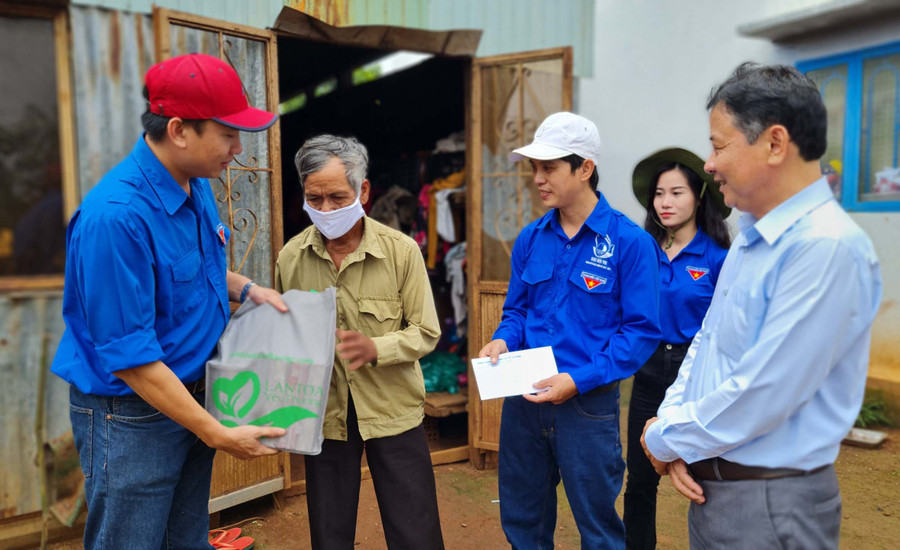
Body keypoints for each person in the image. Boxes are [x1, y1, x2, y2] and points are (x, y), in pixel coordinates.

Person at [50, 53, 289, 550]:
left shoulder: (194, 183)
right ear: (179, 130)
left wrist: (248, 289)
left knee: (185, 538)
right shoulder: (115, 220)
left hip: (189, 397)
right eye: (227, 134)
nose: (237, 149)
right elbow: (132, 360)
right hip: (133, 416)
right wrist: (217, 433)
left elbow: (193, 268)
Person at [641, 63, 882, 550]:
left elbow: (763, 391)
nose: (708, 163)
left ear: (774, 143)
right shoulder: (752, 238)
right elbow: (706, 345)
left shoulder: (825, 247)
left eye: (718, 144)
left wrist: (666, 438)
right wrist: (668, 422)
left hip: (770, 502)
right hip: (718, 490)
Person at [478, 112, 662, 549]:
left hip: (587, 407)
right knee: (524, 521)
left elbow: (639, 332)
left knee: (598, 529)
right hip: (524, 404)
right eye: (534, 168)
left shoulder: (629, 243)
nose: (538, 178)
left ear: (584, 169)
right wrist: (504, 338)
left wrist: (578, 379)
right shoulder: (531, 238)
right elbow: (517, 311)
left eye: (549, 167)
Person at [275, 134, 445, 550]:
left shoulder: (401, 251)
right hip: (325, 414)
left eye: (337, 197)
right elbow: (284, 339)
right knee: (329, 531)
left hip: (392, 408)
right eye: (314, 199)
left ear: (363, 191)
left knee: (414, 527)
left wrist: (376, 349)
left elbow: (426, 331)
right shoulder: (291, 258)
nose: (326, 209)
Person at [623, 148, 731, 549]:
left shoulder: (719, 257)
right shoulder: (643, 251)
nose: (665, 203)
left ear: (699, 196)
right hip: (649, 373)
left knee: (706, 477)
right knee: (639, 480)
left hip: (696, 377)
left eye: (677, 193)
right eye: (659, 194)